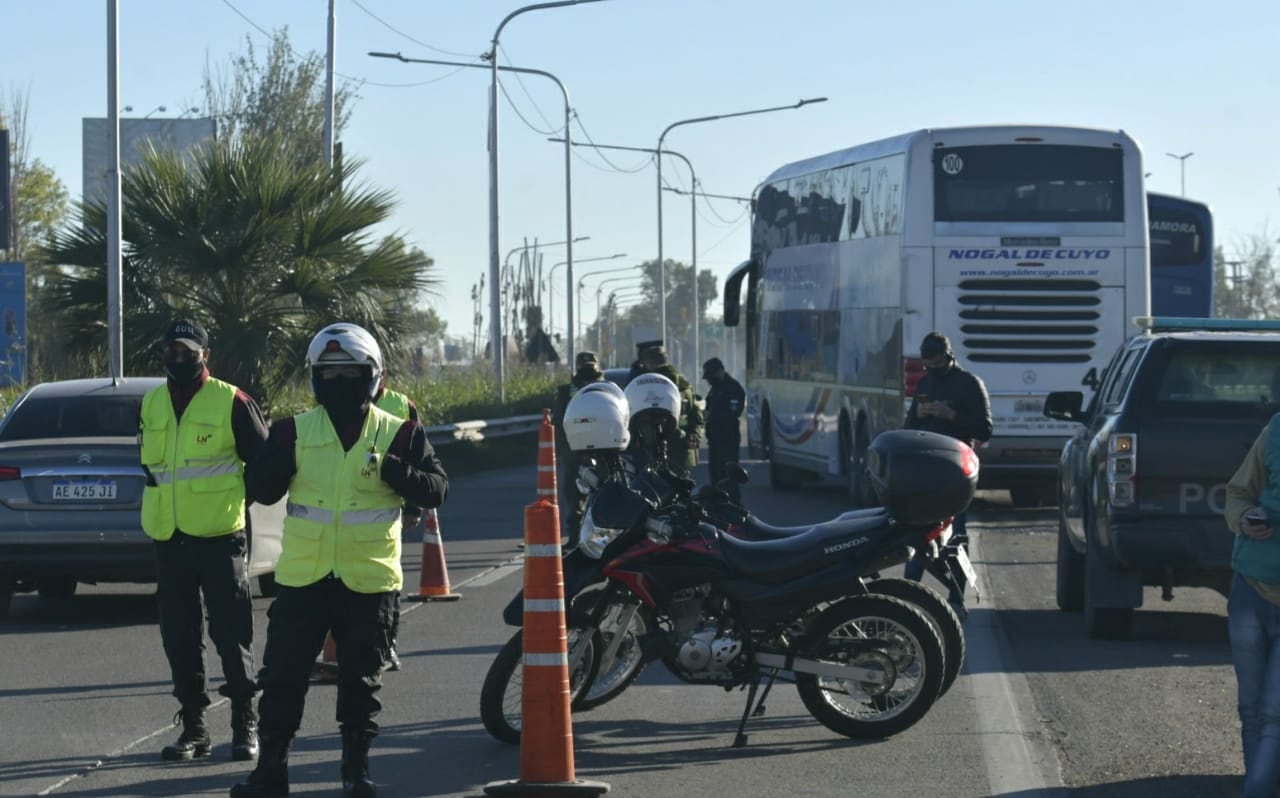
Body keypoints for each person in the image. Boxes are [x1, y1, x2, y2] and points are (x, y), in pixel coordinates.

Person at [231, 322, 448, 798]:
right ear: (315, 377)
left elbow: (437, 489)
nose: (340, 382)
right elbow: (261, 489)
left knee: (360, 685)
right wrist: (269, 465)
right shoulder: (293, 431)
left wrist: (395, 471)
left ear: (373, 375)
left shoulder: (400, 434)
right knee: (283, 680)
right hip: (304, 578)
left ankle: (356, 773)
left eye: (350, 372)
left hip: (368, 581)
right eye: (329, 373)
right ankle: (270, 773)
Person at [139, 318, 269, 763]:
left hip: (219, 539)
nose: (179, 357)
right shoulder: (152, 402)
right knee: (179, 636)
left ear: (204, 355)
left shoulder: (231, 401)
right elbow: (152, 468)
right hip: (169, 538)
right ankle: (194, 728)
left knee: (231, 635)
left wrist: (232, 503)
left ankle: (244, 725)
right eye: (172, 350)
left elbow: (265, 464)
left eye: (187, 351)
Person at [314, 373, 421, 678]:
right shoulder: (334, 398)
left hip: (384, 508)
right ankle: (334, 651)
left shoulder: (401, 405)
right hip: (337, 511)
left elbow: (417, 457)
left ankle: (387, 645)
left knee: (387, 581)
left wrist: (412, 506)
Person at [902, 332, 992, 608]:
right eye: (928, 365)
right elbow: (908, 428)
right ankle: (907, 592)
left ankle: (956, 596)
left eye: (938, 364)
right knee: (917, 532)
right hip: (925, 470)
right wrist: (921, 414)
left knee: (956, 536)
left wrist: (951, 415)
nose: (933, 370)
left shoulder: (969, 384)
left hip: (956, 470)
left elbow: (984, 430)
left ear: (949, 357)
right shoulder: (926, 383)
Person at [1223, 419, 1280, 798]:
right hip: (1250, 586)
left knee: (1275, 714)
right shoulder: (1276, 430)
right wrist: (1244, 519)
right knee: (1251, 708)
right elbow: (1238, 492)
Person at [552, 351, 607, 540]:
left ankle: (602, 537)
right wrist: (562, 446)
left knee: (604, 491)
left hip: (604, 447)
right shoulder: (567, 391)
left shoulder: (607, 388)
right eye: (584, 365)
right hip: (575, 447)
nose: (588, 369)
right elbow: (559, 420)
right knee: (574, 494)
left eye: (590, 364)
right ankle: (575, 538)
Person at [636, 342, 704, 479]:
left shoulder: (649, 386)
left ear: (650, 363)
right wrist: (694, 436)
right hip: (682, 450)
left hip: (654, 448)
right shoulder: (683, 384)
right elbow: (696, 416)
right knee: (680, 490)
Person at [702, 357, 746, 502]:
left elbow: (733, 414)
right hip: (714, 439)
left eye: (711, 376)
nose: (709, 380)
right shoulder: (715, 389)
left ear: (719, 371)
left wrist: (712, 415)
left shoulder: (733, 388)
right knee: (715, 476)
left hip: (728, 439)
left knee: (729, 476)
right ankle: (718, 506)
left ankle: (734, 507)